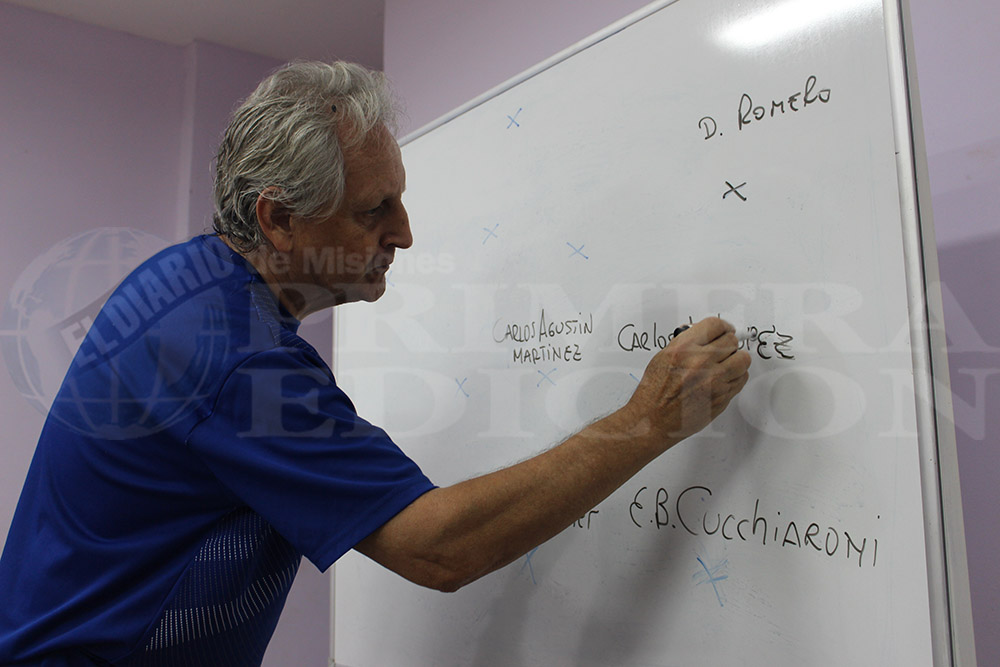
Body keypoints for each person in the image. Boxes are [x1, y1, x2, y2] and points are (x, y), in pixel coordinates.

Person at [0, 61, 750, 665]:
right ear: (278, 218)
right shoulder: (237, 361)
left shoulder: (186, 279)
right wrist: (645, 422)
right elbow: (439, 548)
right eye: (373, 210)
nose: (405, 233)